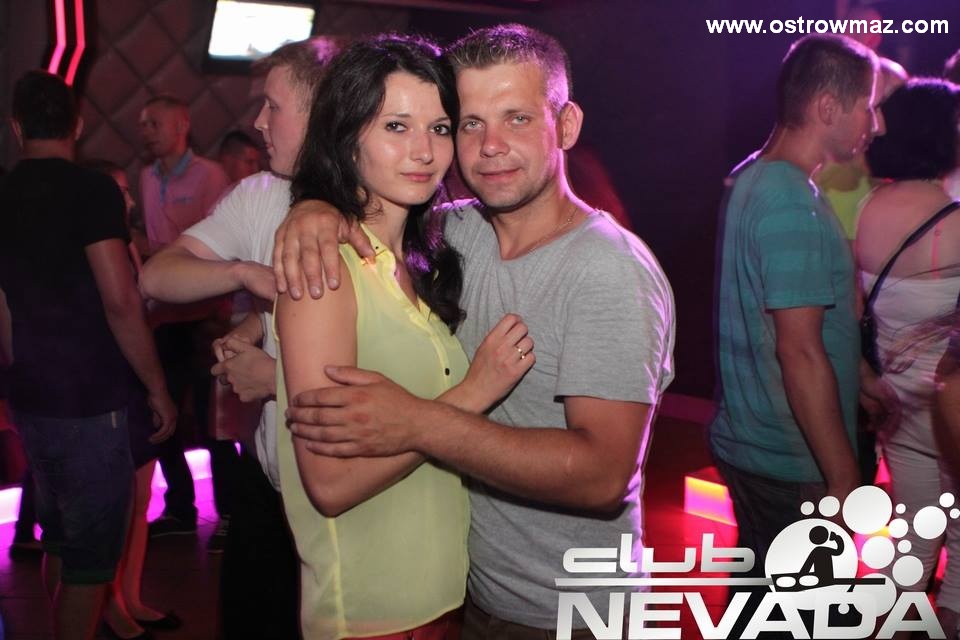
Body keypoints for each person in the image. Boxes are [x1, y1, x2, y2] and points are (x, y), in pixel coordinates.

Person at [273, 24, 675, 636]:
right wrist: (314, 208)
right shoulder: (452, 234)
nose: (490, 146)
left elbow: (602, 476)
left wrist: (419, 420)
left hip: (574, 612)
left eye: (517, 118)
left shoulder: (607, 270)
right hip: (471, 595)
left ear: (565, 126)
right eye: (467, 124)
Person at [139, 37, 341, 638]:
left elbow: (398, 368)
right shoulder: (260, 196)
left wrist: (275, 378)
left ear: (323, 111)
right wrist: (245, 278)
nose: (258, 122)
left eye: (273, 106)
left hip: (350, 493)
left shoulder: (384, 204)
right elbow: (158, 275)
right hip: (270, 477)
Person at [708, 35, 894, 636]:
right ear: (827, 108)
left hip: (758, 444)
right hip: (791, 459)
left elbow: (788, 323)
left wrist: (858, 376)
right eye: (868, 106)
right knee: (803, 621)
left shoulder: (754, 178)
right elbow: (799, 349)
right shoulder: (789, 201)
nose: (876, 123)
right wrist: (842, 477)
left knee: (760, 607)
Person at [0, 70, 176, 640]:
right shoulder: (91, 191)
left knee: (60, 540)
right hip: (90, 398)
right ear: (77, 125)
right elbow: (120, 301)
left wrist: (19, 374)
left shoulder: (4, 193)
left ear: (17, 127)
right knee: (92, 562)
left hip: (31, 395)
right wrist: (156, 387)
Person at [858, 78, 960, 638]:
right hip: (948, 403)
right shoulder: (954, 220)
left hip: (895, 400)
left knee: (915, 534)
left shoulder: (871, 208)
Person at [84, 159, 181, 639]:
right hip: (114, 380)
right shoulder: (96, 246)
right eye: (118, 191)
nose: (127, 200)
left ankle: (131, 597)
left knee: (141, 497)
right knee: (119, 503)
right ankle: (112, 608)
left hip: (136, 374)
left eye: (126, 190)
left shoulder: (127, 241)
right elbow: (118, 312)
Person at [138, 94, 234, 540]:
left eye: (154, 123)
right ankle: (180, 507)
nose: (146, 132)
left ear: (182, 125)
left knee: (213, 418)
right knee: (165, 415)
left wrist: (160, 250)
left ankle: (229, 511)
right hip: (165, 316)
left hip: (206, 315)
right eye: (143, 125)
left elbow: (217, 246)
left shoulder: (209, 175)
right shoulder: (146, 176)